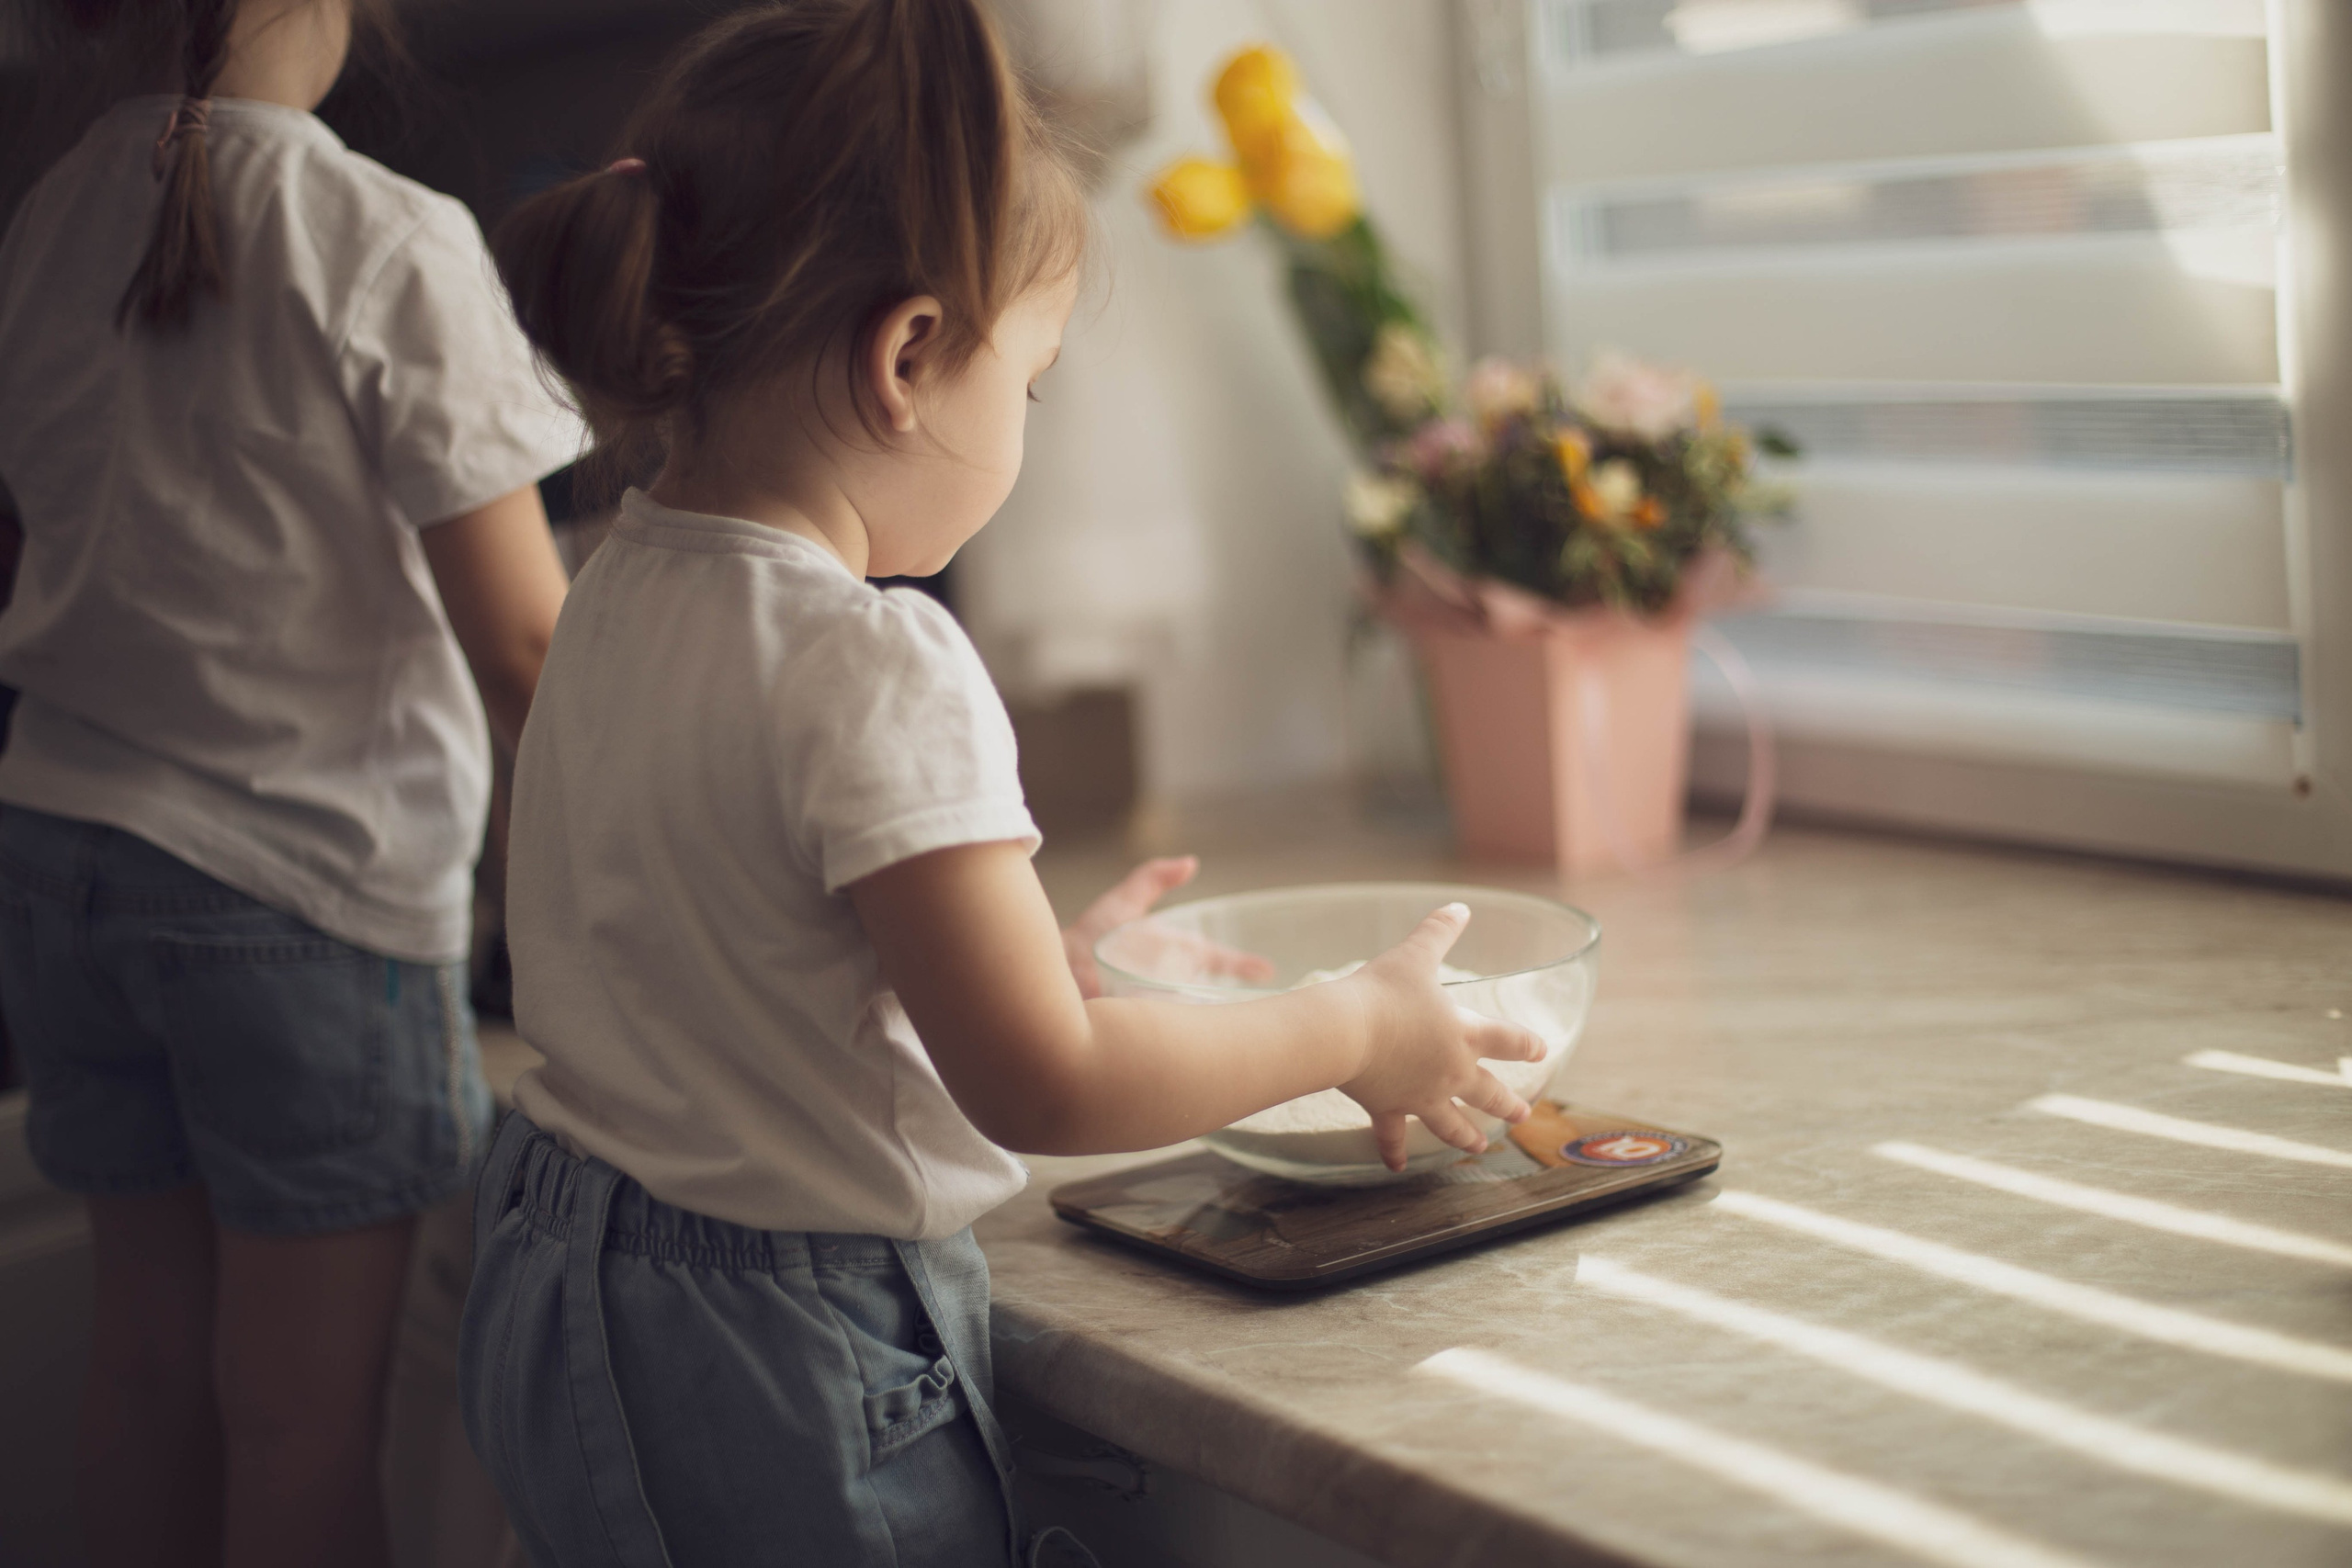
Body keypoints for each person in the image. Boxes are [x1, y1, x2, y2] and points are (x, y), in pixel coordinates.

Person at [458, 2, 1544, 1563]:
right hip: (784, 1350)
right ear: (910, 356)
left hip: (566, 1284)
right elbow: (1047, 1086)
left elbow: (708, 954)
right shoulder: (874, 656)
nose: (1026, 423)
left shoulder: (613, 587)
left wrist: (1026, 958)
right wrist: (1360, 1025)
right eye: (1028, 381)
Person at [0, 1, 579, 1563]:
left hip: (64, 860)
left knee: (143, 1368)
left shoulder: (52, 205)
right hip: (299, 898)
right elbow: (527, 641)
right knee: (302, 1423)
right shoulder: (378, 232)